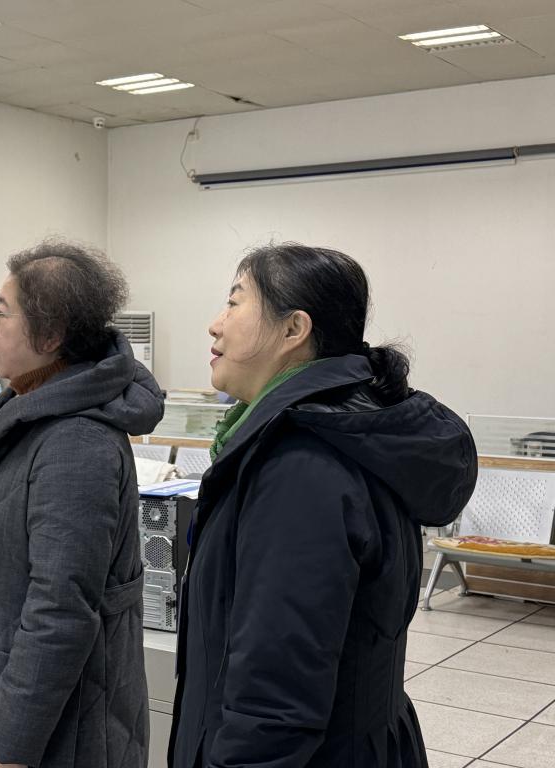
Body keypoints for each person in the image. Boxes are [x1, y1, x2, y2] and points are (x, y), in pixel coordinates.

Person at [169, 243, 478, 768]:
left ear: (294, 329)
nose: (214, 324)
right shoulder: (332, 434)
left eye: (235, 302)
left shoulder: (300, 467)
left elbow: (275, 694)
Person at [0, 240, 164, 768]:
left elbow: (61, 608)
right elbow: (29, 550)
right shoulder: (26, 409)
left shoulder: (76, 441)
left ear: (50, 336)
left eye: (2, 313)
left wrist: (10, 747)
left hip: (49, 736)